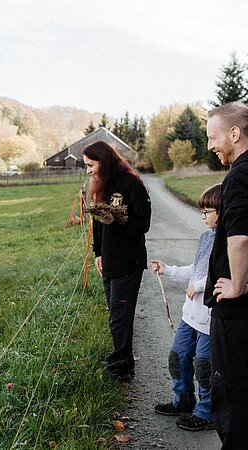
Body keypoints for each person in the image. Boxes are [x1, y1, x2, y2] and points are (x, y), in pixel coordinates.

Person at [151, 184, 221, 431]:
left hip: (210, 318)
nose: (202, 216)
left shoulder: (229, 242)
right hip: (190, 316)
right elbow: (196, 269)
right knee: (177, 357)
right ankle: (183, 400)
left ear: (222, 212)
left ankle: (207, 412)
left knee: (204, 367)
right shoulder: (206, 238)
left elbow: (227, 275)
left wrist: (200, 287)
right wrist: (168, 269)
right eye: (201, 211)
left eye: (207, 211)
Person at [83, 140, 151, 382]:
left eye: (91, 165)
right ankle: (125, 363)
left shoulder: (132, 184)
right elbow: (97, 224)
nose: (89, 170)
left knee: (120, 316)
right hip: (109, 260)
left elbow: (143, 224)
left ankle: (120, 367)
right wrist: (98, 253)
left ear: (105, 160)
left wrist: (118, 220)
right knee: (116, 315)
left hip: (128, 262)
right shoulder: (102, 185)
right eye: (86, 165)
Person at [204, 101, 248, 448]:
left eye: (213, 137)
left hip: (236, 313)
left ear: (234, 134)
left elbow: (240, 238)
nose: (210, 145)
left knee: (231, 394)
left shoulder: (238, 176)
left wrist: (238, 284)